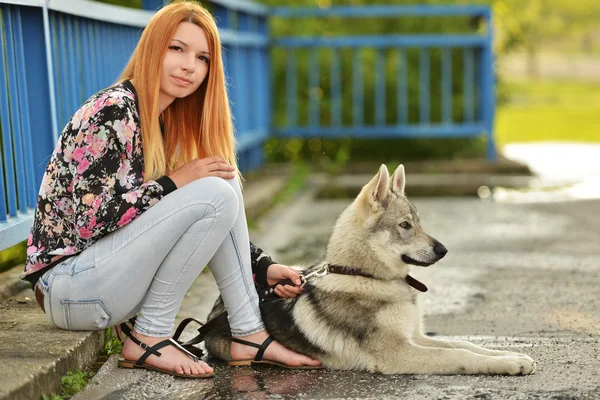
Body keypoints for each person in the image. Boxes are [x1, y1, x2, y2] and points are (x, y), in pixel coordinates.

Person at [20, 0, 320, 378]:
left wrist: (262, 266)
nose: (189, 66)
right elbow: (89, 224)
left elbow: (176, 218)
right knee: (213, 187)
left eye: (203, 57)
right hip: (69, 288)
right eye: (176, 48)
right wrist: (176, 180)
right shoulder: (113, 109)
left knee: (221, 181)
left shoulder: (161, 123)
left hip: (103, 283)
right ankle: (150, 335)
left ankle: (249, 332)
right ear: (152, 48)